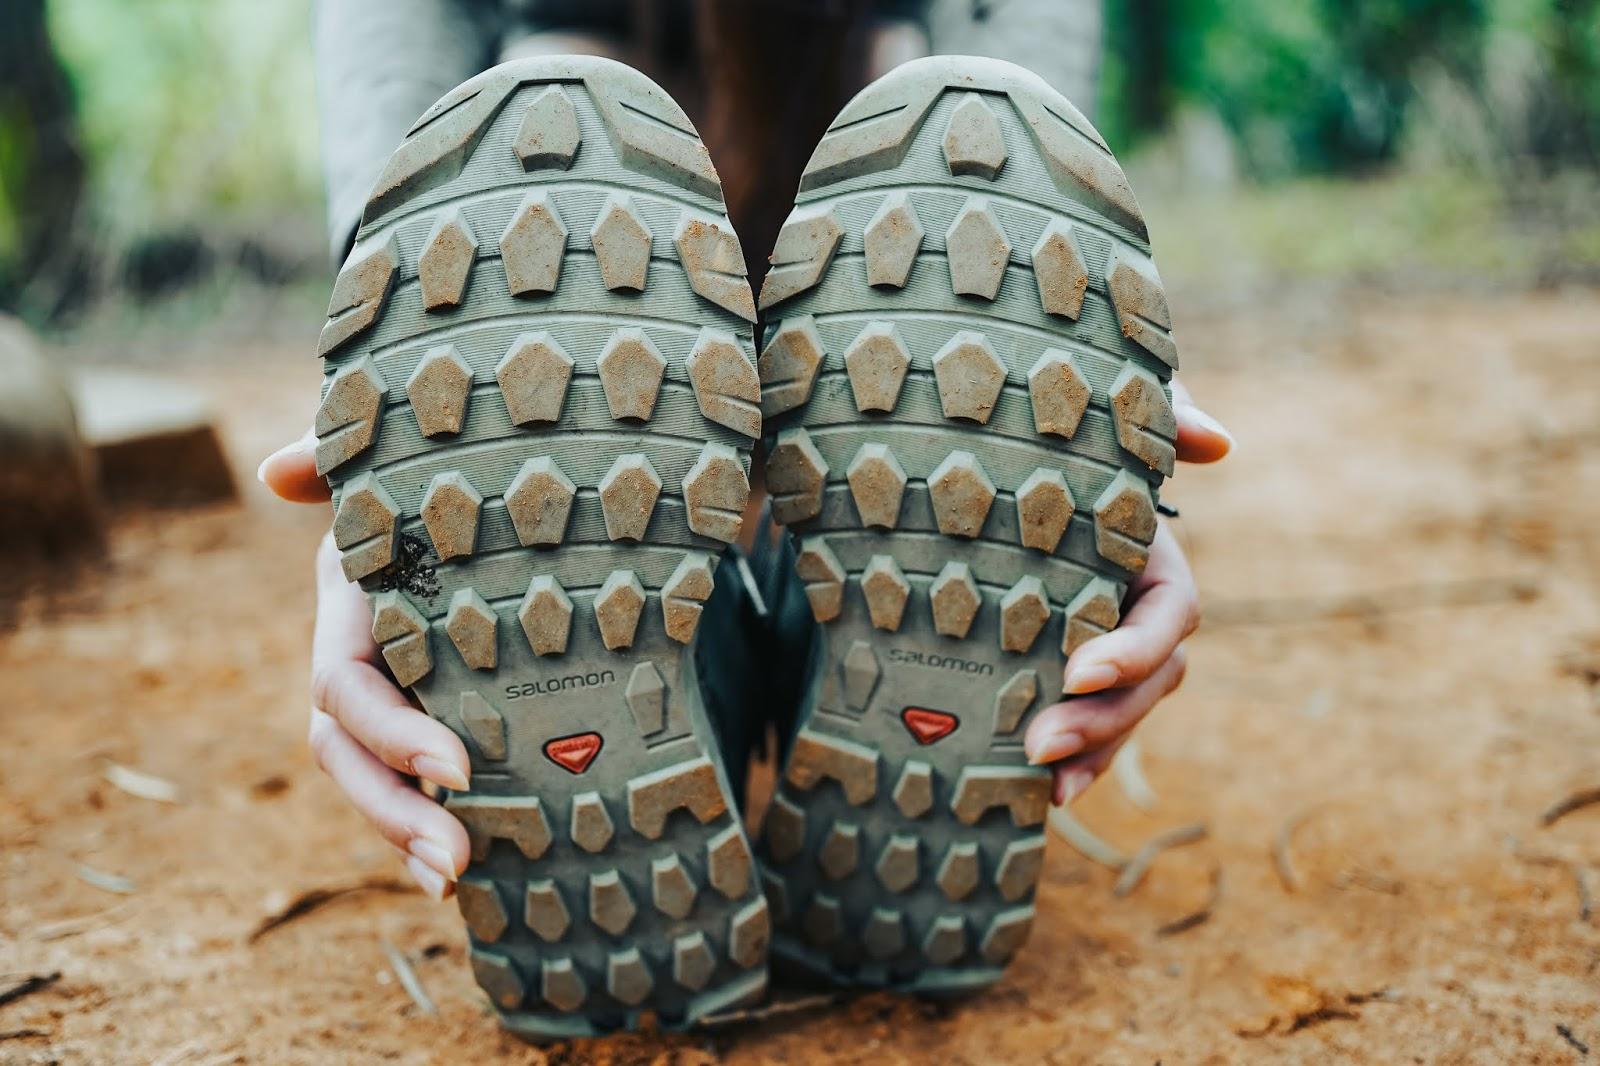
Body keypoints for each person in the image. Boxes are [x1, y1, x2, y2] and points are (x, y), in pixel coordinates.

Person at [258, 0, 1232, 1038]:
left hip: (828, 93)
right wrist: (1049, 287)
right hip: (846, 109)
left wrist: (410, 342)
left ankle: (709, 662)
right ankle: (780, 633)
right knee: (889, 154)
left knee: (850, 144)